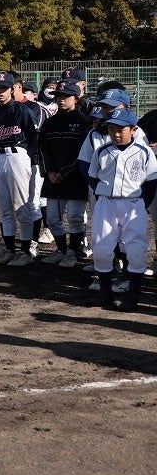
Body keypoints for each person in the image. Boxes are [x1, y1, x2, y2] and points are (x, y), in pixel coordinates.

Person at [88, 107, 157, 311]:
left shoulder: (144, 151)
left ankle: (133, 296)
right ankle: (106, 295)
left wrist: (143, 204)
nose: (116, 134)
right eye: (111, 129)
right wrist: (104, 194)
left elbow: (152, 181)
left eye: (121, 129)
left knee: (136, 250)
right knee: (101, 248)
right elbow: (93, 176)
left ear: (133, 129)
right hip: (106, 203)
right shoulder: (102, 151)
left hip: (133, 203)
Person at [0, 72, 41, 265]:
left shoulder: (22, 110)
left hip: (18, 155)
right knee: (4, 207)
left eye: (3, 88)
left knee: (21, 206)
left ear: (12, 89)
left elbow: (34, 137)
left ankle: (25, 251)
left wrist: (27, 156)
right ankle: (9, 249)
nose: (0, 92)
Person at [38, 81, 90, 267]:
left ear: (76, 98)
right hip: (54, 178)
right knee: (52, 218)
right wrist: (50, 171)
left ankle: (74, 252)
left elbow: (84, 152)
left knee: (76, 217)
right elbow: (42, 148)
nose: (61, 99)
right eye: (58, 96)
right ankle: (61, 250)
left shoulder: (84, 122)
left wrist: (65, 171)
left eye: (66, 96)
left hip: (75, 178)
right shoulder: (50, 122)